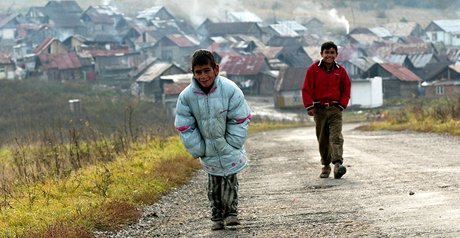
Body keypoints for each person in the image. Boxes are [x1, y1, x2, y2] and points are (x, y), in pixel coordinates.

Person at [174, 49, 252, 230]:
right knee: (214, 185)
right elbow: (185, 126)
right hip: (207, 148)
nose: (203, 76)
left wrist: (232, 143)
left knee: (230, 181)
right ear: (192, 73)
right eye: (198, 72)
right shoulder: (186, 97)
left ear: (216, 69)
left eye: (207, 70)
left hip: (229, 146)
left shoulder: (230, 90)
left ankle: (231, 213)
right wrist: (199, 148)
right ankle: (217, 215)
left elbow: (240, 118)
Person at [301, 41, 351, 179]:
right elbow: (306, 89)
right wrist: (309, 106)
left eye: (332, 53)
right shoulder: (313, 69)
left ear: (336, 55)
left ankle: (337, 164)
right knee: (323, 139)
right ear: (321, 54)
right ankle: (326, 166)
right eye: (326, 52)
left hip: (335, 109)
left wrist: (342, 105)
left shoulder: (340, 71)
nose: (329, 55)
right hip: (319, 110)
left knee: (336, 137)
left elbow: (346, 89)